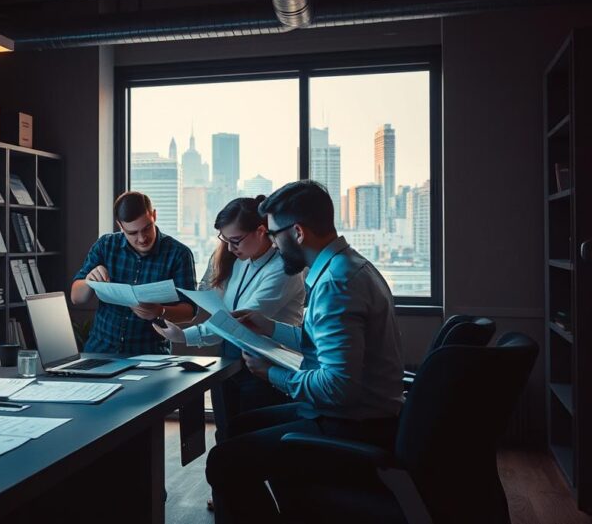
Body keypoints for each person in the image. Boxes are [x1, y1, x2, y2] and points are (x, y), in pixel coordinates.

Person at [205, 180, 404, 524]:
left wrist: (272, 374)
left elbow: (338, 387)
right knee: (240, 426)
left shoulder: (336, 285)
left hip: (351, 424)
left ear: (297, 233)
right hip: (358, 415)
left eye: (274, 234)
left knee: (224, 461)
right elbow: (321, 344)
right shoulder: (349, 266)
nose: (272, 243)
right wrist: (269, 327)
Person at [153, 196, 305, 441]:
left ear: (261, 231)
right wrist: (182, 334)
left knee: (258, 449)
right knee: (227, 439)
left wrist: (187, 335)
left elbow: (238, 323)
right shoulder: (242, 261)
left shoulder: (284, 269)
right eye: (226, 241)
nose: (232, 249)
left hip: (267, 370)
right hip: (231, 362)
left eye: (236, 241)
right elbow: (229, 320)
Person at [71, 191, 196, 355]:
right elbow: (76, 298)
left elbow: (190, 311)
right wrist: (89, 281)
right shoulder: (105, 245)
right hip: (100, 351)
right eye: (132, 233)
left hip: (149, 355)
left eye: (147, 228)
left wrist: (160, 311)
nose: (142, 238)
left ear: (154, 215)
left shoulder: (179, 254)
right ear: (120, 226)